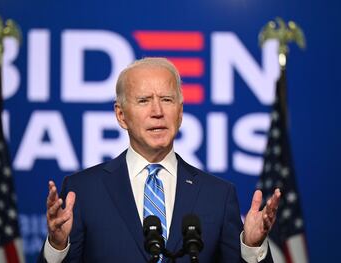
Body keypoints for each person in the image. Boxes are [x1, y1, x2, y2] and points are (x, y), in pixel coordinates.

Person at [38, 57, 281, 263]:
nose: (157, 111)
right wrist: (57, 247)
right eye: (144, 100)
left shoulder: (218, 195)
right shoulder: (84, 190)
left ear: (180, 112)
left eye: (167, 99)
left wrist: (251, 248)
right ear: (121, 115)